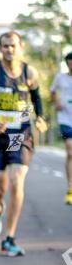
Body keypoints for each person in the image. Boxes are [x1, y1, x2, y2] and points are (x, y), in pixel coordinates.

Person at [0, 31, 47, 256]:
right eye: (5, 46)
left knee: (17, 181)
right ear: (0, 49)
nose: (10, 49)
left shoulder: (29, 72)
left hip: (20, 134)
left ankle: (9, 237)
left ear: (21, 46)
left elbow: (36, 98)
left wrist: (40, 117)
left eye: (13, 45)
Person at [50, 51, 72, 204]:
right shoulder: (60, 77)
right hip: (65, 118)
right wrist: (55, 102)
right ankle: (70, 189)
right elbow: (52, 91)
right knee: (70, 151)